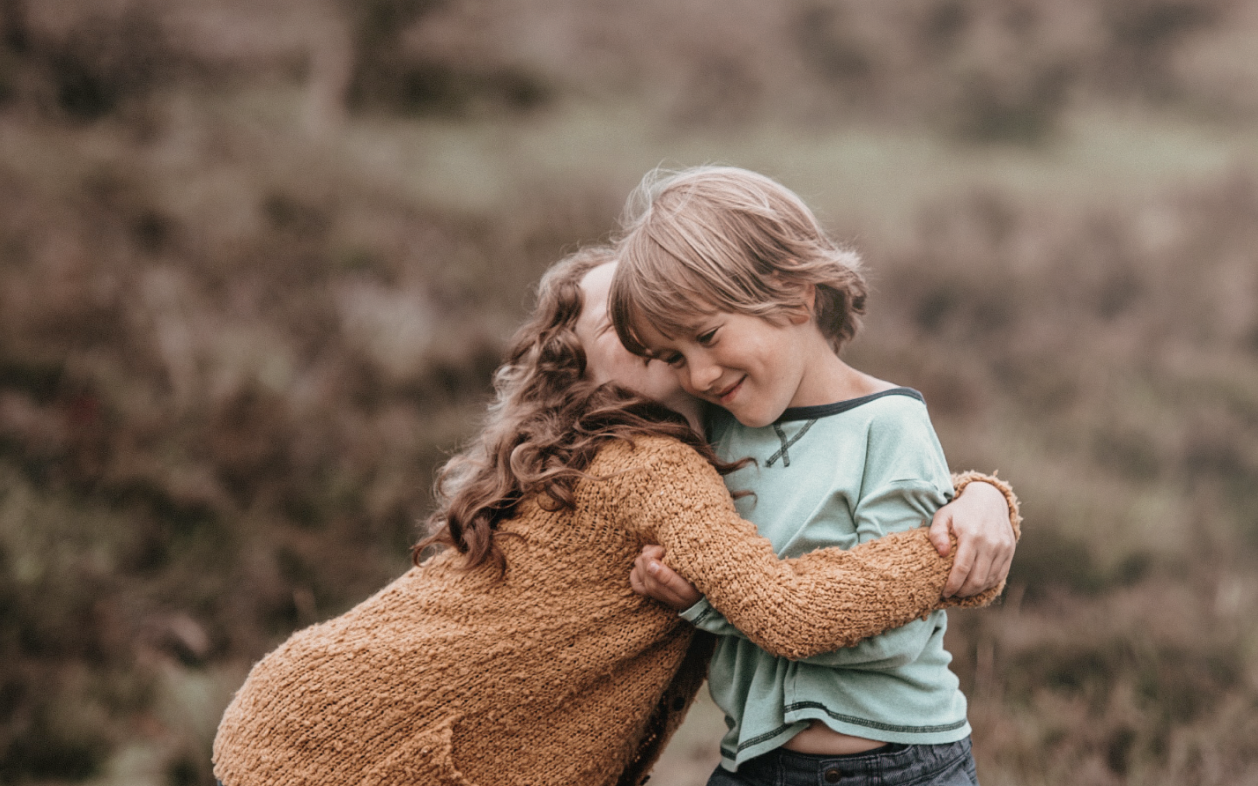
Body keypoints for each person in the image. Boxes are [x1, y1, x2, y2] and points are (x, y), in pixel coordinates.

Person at [211, 247, 1019, 786]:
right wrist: (948, 549)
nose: (651, 324)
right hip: (356, 740)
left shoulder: (713, 432)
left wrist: (980, 493)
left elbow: (828, 473)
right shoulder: (648, 465)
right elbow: (789, 606)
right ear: (581, 365)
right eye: (622, 322)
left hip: (308, 713)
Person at [609, 165, 1018, 786]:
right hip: (751, 761)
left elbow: (889, 633)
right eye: (673, 358)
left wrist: (711, 607)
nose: (697, 375)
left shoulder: (889, 427)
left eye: (707, 336)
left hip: (895, 767)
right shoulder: (717, 437)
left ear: (797, 294)